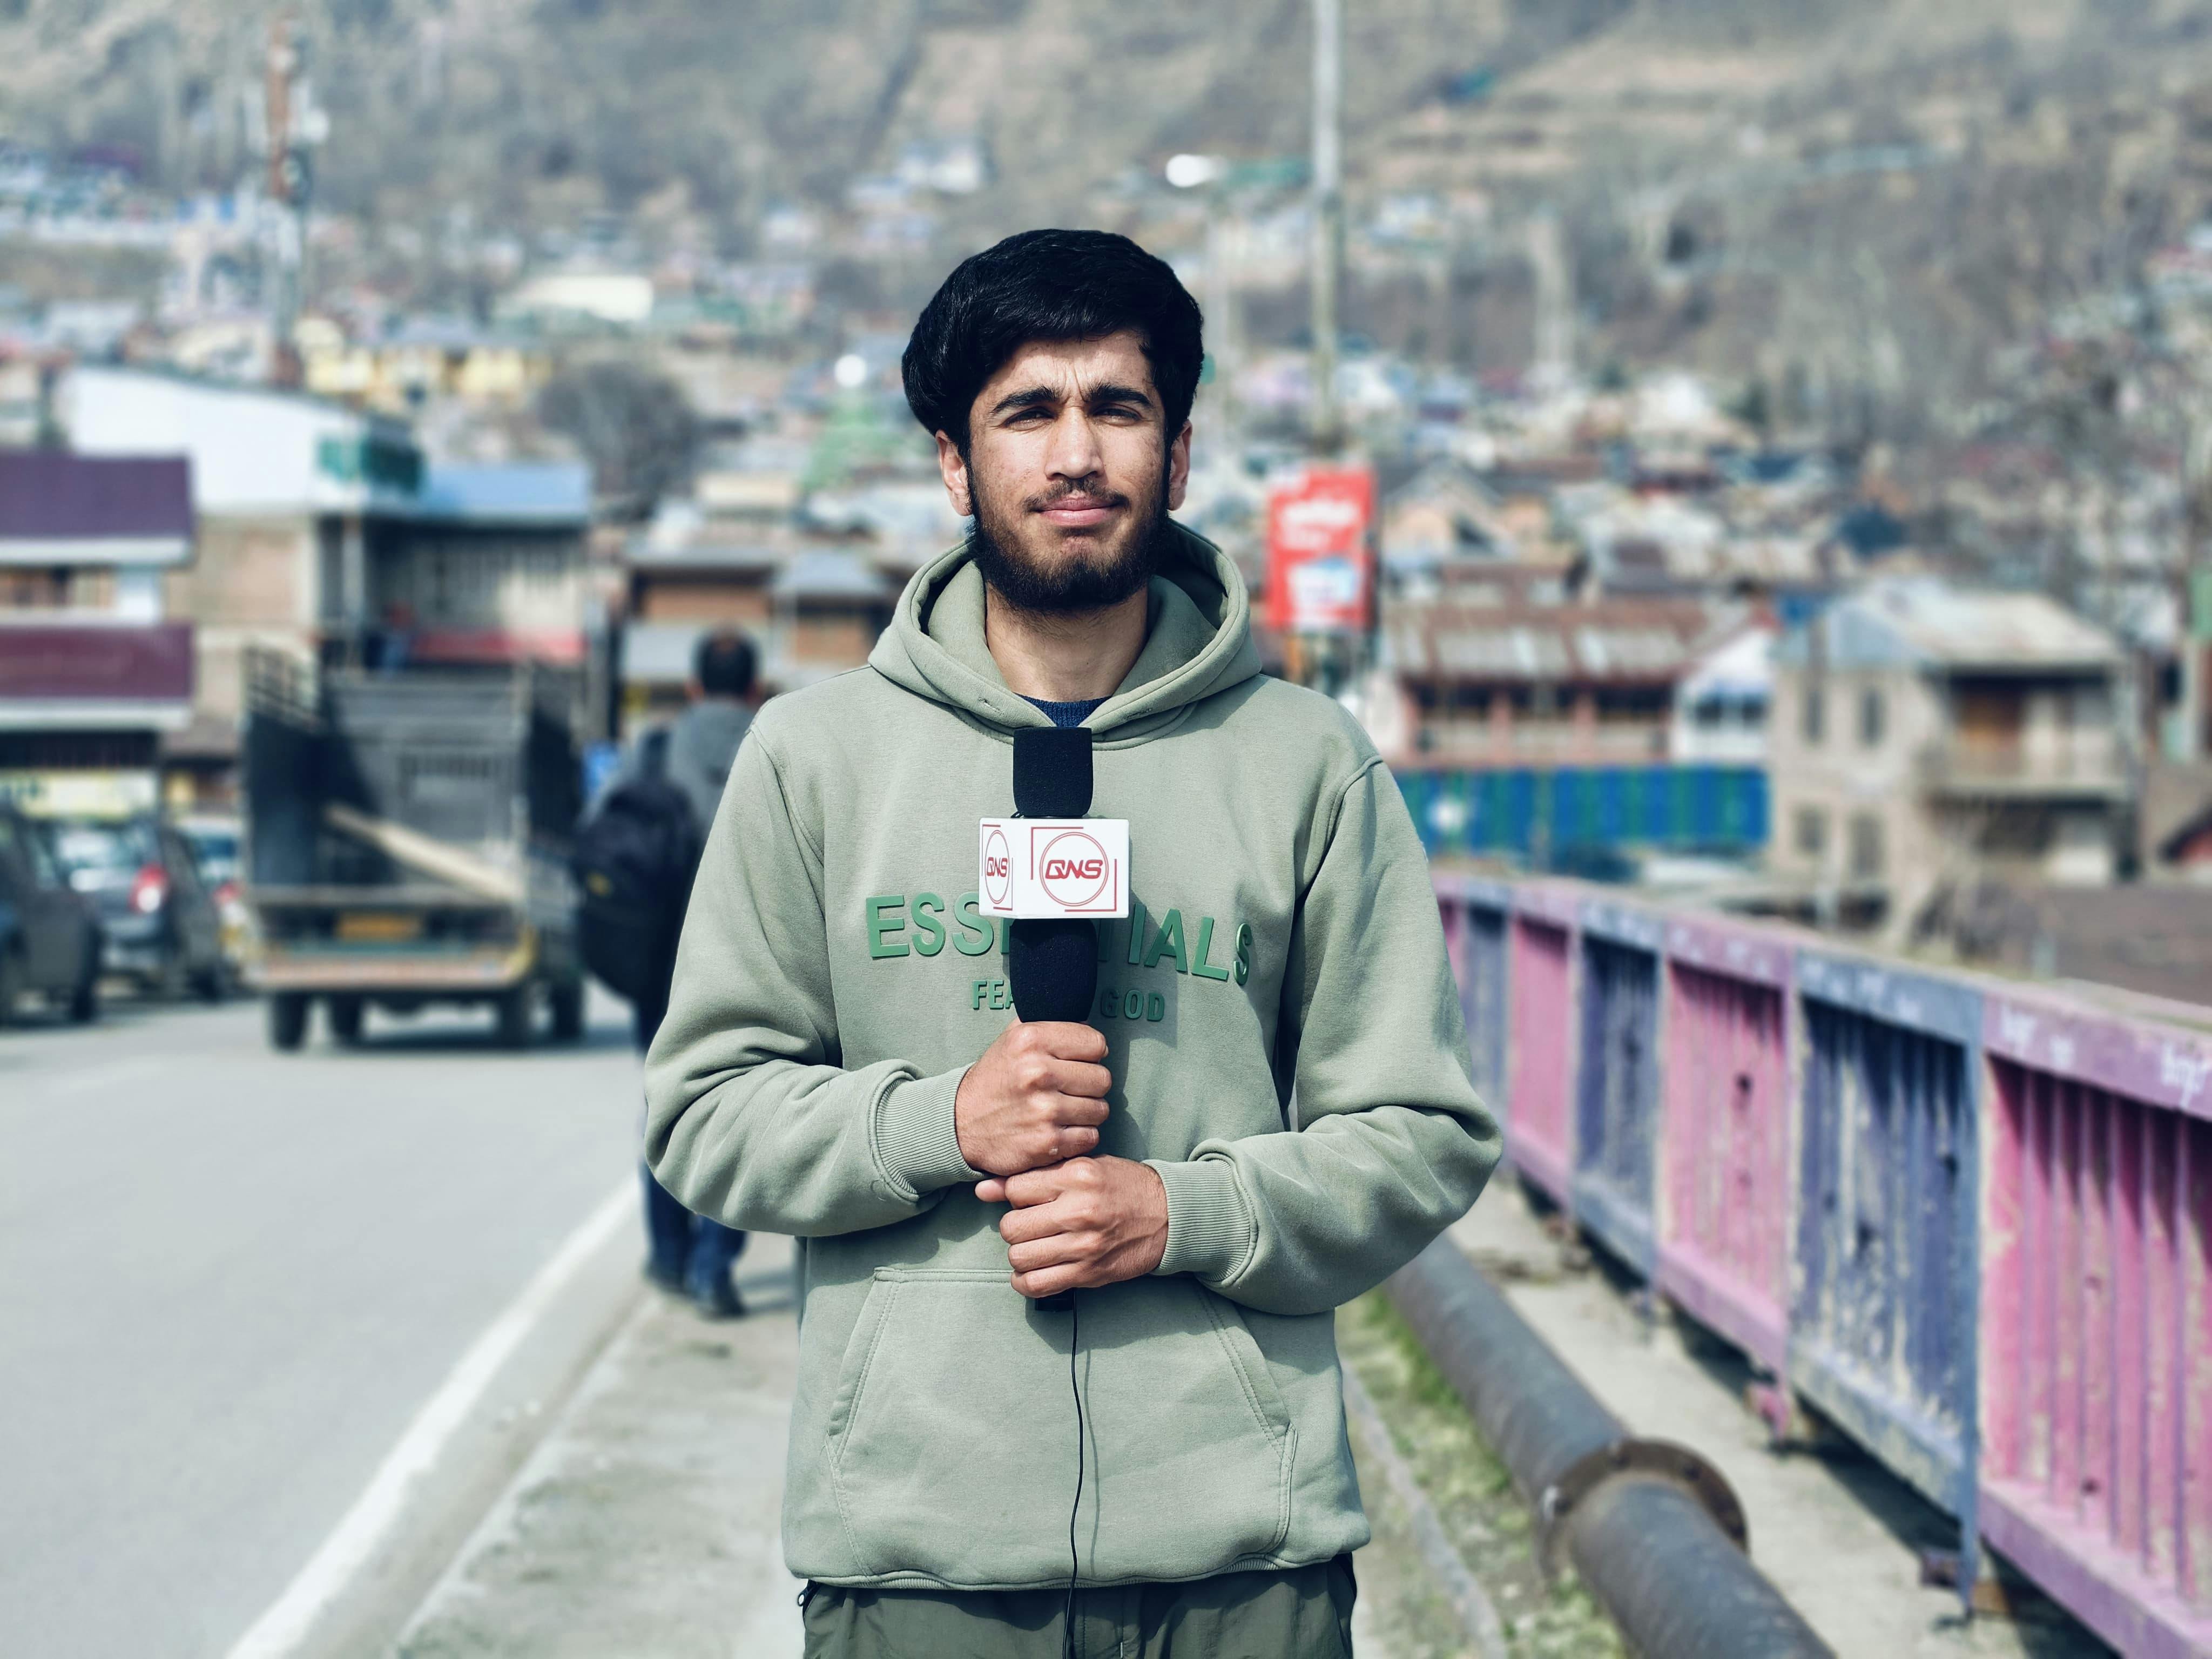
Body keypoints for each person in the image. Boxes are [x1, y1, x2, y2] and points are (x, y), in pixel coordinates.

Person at [645, 230, 1499, 1658]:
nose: (1075, 452)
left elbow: (1420, 1131)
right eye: (1027, 411)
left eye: (1117, 406)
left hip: (1242, 1555)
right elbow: (703, 1112)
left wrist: (1188, 1213)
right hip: (918, 1552)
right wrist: (940, 1121)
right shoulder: (818, 760)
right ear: (952, 460)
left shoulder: (1302, 762)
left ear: (1178, 451)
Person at [622, 629, 761, 1318]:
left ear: (694, 686)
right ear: (755, 687)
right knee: (740, 1108)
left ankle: (669, 1255)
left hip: (658, 963)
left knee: (668, 1108)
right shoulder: (781, 741)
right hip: (753, 962)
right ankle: (714, 1266)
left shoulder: (652, 750)